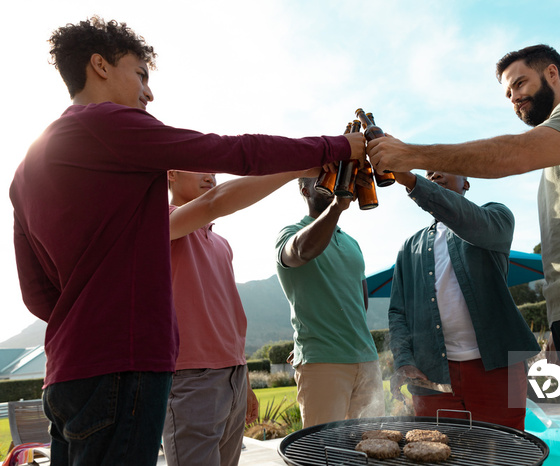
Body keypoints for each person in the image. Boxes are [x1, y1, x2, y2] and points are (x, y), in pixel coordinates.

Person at [9, 16, 364, 466]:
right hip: (126, 364)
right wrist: (335, 148)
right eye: (140, 74)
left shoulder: (24, 172)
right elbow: (237, 152)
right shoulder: (108, 125)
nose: (148, 93)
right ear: (99, 66)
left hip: (64, 374)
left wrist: (87, 319)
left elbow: (38, 295)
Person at [367, 44, 560, 465]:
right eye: (507, 93)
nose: (514, 97)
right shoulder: (558, 161)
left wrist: (411, 155)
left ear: (552, 74)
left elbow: (514, 154)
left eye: (520, 83)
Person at [164, 169, 313, 465]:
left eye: (214, 171)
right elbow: (215, 202)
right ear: (172, 174)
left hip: (232, 376)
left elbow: (230, 316)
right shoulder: (159, 222)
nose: (210, 177)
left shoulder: (222, 244)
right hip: (190, 378)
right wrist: (298, 165)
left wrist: (243, 379)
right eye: (201, 168)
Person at [388, 170, 540, 430]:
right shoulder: (408, 247)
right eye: (427, 172)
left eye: (445, 165)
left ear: (467, 182)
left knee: (509, 451)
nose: (434, 172)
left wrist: (415, 183)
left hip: (498, 369)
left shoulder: (496, 217)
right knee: (437, 453)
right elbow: (398, 312)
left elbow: (471, 221)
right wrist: (403, 359)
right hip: (430, 376)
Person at [275, 177, 385, 428]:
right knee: (323, 452)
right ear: (304, 190)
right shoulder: (290, 233)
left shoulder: (352, 242)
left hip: (367, 360)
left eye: (334, 175)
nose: (332, 181)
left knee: (374, 447)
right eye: (321, 178)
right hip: (322, 362)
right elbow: (302, 251)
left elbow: (360, 301)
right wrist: (337, 206)